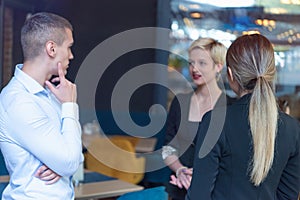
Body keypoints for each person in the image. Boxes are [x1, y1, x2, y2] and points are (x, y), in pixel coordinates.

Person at [186, 34, 300, 199]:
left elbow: (198, 196)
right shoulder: (293, 129)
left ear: (230, 75)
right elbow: (288, 196)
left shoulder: (215, 122)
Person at [0, 12, 83, 199]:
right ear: (51, 49)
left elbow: (76, 156)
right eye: (69, 47)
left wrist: (64, 164)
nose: (71, 55)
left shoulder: (51, 94)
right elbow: (70, 161)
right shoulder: (18, 100)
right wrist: (70, 105)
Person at [162, 38, 233, 200]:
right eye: (191, 63)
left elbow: (234, 158)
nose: (194, 68)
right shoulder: (180, 102)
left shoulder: (230, 106)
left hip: (218, 192)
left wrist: (202, 175)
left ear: (218, 67)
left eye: (202, 63)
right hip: (180, 188)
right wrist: (180, 170)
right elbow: (167, 148)